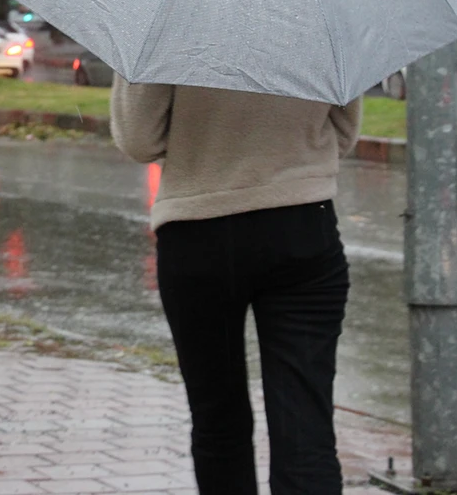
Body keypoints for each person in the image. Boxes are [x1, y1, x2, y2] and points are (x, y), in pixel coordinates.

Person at [111, 75, 362, 495]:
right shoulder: (315, 13)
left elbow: (139, 140)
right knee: (306, 424)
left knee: (217, 419)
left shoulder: (165, 18)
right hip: (301, 220)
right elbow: (346, 132)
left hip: (198, 228)